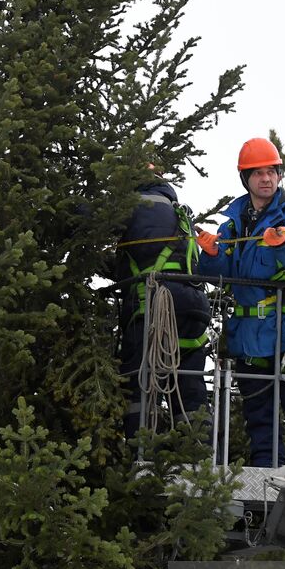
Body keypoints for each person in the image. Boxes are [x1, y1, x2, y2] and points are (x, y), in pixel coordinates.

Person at [195, 138, 285, 468]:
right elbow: (220, 273)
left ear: (280, 175)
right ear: (246, 178)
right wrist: (211, 254)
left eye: (271, 171)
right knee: (261, 426)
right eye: (257, 173)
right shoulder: (235, 223)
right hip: (250, 341)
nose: (266, 179)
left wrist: (283, 242)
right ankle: (265, 490)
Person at [117, 169, 212, 437]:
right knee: (190, 388)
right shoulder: (176, 209)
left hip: (154, 304)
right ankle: (199, 457)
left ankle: (141, 455)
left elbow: (92, 216)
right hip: (193, 308)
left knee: (141, 385)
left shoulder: (138, 203)